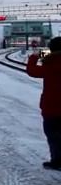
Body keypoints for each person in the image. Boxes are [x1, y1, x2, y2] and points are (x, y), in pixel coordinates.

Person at [26, 37, 61, 171]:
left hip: (51, 108)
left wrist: (35, 56)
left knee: (53, 136)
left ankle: (57, 161)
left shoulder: (49, 64)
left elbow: (31, 70)